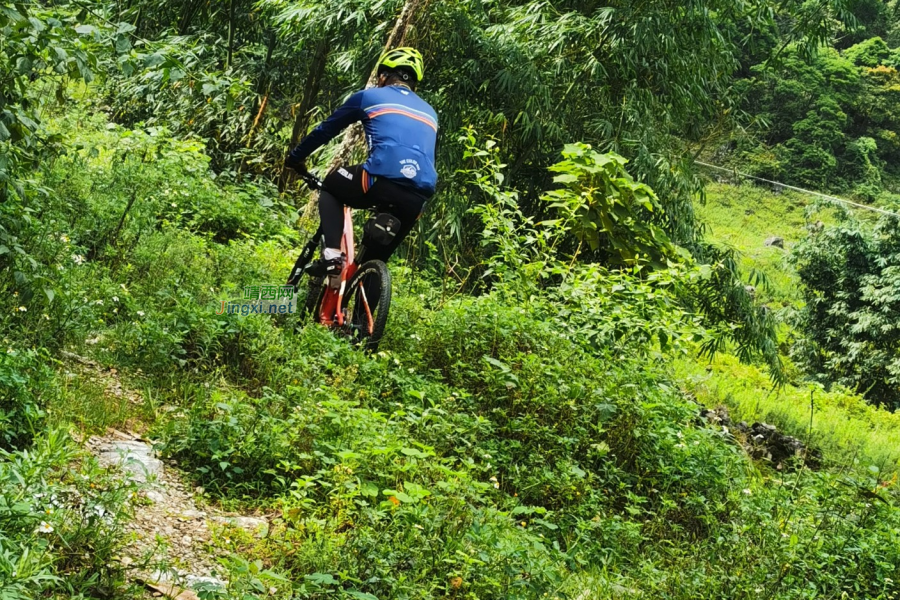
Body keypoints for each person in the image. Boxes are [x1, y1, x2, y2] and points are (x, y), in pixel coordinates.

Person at [285, 47, 437, 276]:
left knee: (332, 186)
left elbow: (325, 130)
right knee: (375, 264)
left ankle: (333, 256)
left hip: (378, 179)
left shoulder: (369, 97)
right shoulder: (431, 112)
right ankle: (364, 306)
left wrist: (295, 158)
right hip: (418, 197)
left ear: (384, 76)